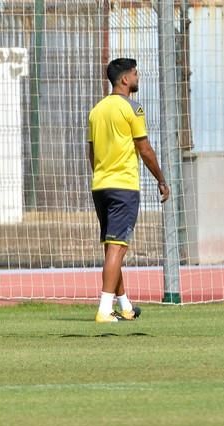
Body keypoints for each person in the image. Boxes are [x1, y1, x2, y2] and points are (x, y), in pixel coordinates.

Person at [87, 58, 170, 323]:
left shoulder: (96, 110)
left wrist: (101, 172)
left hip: (100, 185)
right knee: (117, 247)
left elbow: (91, 151)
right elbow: (144, 149)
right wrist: (160, 179)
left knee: (112, 246)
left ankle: (125, 307)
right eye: (135, 74)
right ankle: (103, 310)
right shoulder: (132, 108)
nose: (138, 77)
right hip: (124, 186)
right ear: (125, 79)